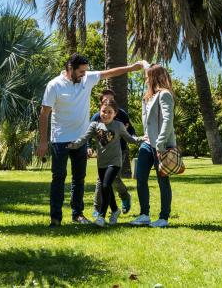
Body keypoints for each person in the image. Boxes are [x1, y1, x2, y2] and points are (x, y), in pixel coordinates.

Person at [37, 53, 148, 227]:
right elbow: (44, 114)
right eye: (81, 71)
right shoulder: (54, 85)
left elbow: (110, 72)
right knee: (58, 177)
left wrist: (132, 68)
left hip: (81, 139)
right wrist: (43, 142)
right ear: (70, 68)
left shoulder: (87, 79)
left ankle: (77, 214)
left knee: (79, 179)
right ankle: (56, 217)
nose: (84, 74)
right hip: (60, 139)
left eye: (86, 71)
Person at [69, 99, 143, 227]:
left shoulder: (119, 126)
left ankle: (101, 217)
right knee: (106, 187)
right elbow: (84, 138)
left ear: (115, 113)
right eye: (104, 111)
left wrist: (142, 139)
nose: (106, 114)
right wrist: (74, 145)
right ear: (99, 111)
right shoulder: (94, 126)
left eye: (110, 112)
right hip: (101, 163)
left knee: (105, 185)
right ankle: (115, 210)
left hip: (115, 161)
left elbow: (130, 139)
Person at [130, 64, 177, 228]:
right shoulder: (147, 97)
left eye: (148, 76)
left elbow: (167, 120)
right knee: (141, 178)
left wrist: (161, 143)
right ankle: (144, 215)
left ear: (155, 77)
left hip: (161, 145)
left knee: (162, 181)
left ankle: (164, 217)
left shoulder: (165, 95)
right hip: (147, 144)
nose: (145, 79)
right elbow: (147, 121)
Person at [90, 89, 134, 216]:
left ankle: (122, 198)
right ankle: (98, 209)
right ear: (101, 103)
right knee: (103, 180)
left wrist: (134, 137)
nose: (108, 102)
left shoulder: (122, 114)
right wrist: (88, 146)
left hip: (120, 150)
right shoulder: (97, 117)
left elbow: (131, 131)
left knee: (110, 179)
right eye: (105, 100)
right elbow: (89, 133)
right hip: (104, 153)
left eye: (112, 100)